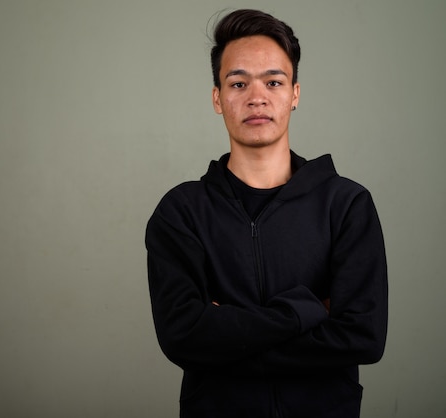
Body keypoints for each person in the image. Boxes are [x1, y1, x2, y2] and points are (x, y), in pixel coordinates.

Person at [145, 9, 388, 418]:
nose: (256, 97)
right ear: (218, 98)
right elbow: (182, 337)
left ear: (294, 93)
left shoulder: (346, 205)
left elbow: (363, 337)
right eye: (238, 83)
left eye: (273, 82)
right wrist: (307, 311)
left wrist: (227, 337)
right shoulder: (181, 212)